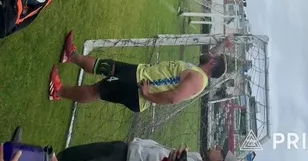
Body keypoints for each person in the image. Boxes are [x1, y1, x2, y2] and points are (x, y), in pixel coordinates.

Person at [48, 31, 227, 111]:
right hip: (139, 75)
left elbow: (174, 98)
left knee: (98, 90)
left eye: (213, 55)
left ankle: (58, 91)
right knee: (107, 66)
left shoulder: (198, 80)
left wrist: (147, 94)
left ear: (212, 62)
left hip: (138, 89)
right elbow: (213, 59)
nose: (210, 52)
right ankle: (71, 56)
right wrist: (224, 45)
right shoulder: (199, 72)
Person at [57, 139, 238, 161]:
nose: (217, 147)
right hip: (130, 149)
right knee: (77, 154)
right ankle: (48, 157)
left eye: (220, 151)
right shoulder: (196, 157)